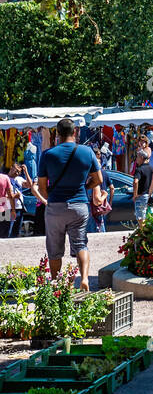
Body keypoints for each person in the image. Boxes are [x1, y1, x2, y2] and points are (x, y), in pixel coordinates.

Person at [36, 118, 103, 291]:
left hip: (55, 206)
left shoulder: (48, 155)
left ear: (57, 134)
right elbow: (99, 179)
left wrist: (53, 197)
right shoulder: (87, 152)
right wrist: (85, 187)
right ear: (76, 132)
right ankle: (85, 278)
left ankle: (56, 284)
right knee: (81, 244)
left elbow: (42, 188)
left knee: (54, 249)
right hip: (79, 205)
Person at [88, 167, 114, 234]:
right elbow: (112, 188)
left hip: (86, 205)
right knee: (99, 228)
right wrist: (106, 197)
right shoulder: (103, 174)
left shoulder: (85, 175)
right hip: (99, 205)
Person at [132, 150, 153, 222]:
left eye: (137, 157)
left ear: (141, 157)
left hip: (141, 196)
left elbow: (135, 182)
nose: (136, 159)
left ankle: (142, 232)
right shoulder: (152, 169)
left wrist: (135, 195)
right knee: (150, 218)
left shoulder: (139, 169)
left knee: (141, 218)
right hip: (150, 196)